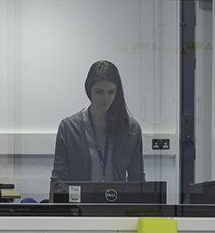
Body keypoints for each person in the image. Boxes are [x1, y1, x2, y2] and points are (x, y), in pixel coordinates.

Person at [49, 59, 144, 194]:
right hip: (79, 207)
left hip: (117, 206)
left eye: (111, 92)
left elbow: (137, 179)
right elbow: (60, 176)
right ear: (89, 90)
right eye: (99, 92)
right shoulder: (69, 127)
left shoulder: (131, 130)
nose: (105, 98)